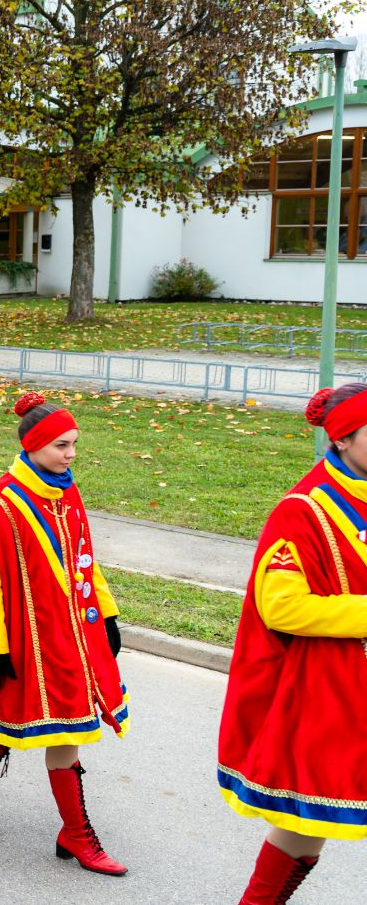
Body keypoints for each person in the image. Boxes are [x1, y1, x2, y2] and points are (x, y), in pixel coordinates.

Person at [0, 392, 127, 876]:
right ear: (33, 446)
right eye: (60, 445)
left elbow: (84, 559)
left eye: (74, 444)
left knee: (26, 721)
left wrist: (107, 614)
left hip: (68, 637)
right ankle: (75, 834)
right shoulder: (2, 504)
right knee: (64, 728)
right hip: (22, 641)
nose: (70, 454)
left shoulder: (66, 492)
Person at [218, 385, 367, 904]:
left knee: (313, 819)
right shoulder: (303, 509)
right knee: (308, 819)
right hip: (332, 689)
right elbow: (281, 606)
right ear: (343, 439)